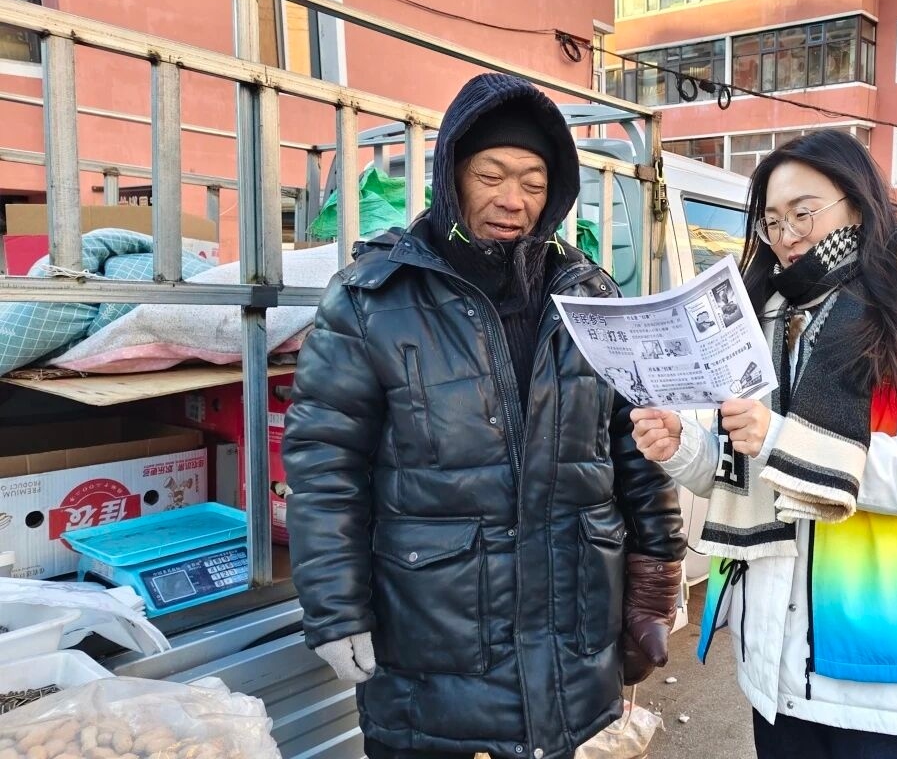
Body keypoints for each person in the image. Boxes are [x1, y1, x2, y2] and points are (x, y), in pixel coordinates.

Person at [283, 73, 686, 759]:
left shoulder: (590, 296)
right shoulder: (370, 299)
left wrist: (655, 579)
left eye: (533, 182)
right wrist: (336, 609)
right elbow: (325, 467)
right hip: (432, 638)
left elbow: (636, 450)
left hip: (567, 635)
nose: (512, 199)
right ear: (451, 177)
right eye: (491, 175)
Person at [631, 129, 897, 759]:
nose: (788, 235)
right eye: (773, 220)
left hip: (888, 666)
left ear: (857, 203)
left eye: (804, 213)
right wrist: (683, 447)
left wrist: (780, 439)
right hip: (778, 668)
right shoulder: (768, 318)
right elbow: (747, 467)